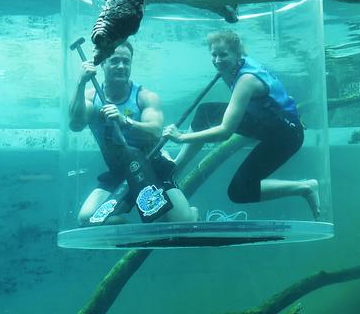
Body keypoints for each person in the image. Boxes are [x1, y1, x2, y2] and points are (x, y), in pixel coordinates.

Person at [162, 30, 320, 219]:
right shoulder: (233, 68)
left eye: (223, 55)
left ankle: (304, 187)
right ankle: (176, 168)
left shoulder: (246, 79)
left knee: (239, 191)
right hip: (266, 122)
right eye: (214, 55)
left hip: (286, 136)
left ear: (238, 54)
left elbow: (225, 132)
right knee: (205, 112)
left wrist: (181, 137)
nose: (218, 60)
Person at [69, 40, 197, 225]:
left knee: (182, 222)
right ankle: (125, 228)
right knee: (88, 218)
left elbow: (156, 131)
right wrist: (81, 83)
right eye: (114, 61)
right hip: (119, 173)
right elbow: (76, 124)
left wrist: (125, 121)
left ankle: (190, 213)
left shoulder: (145, 97)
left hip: (152, 168)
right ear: (102, 63)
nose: (121, 66)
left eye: (126, 61)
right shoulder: (90, 97)